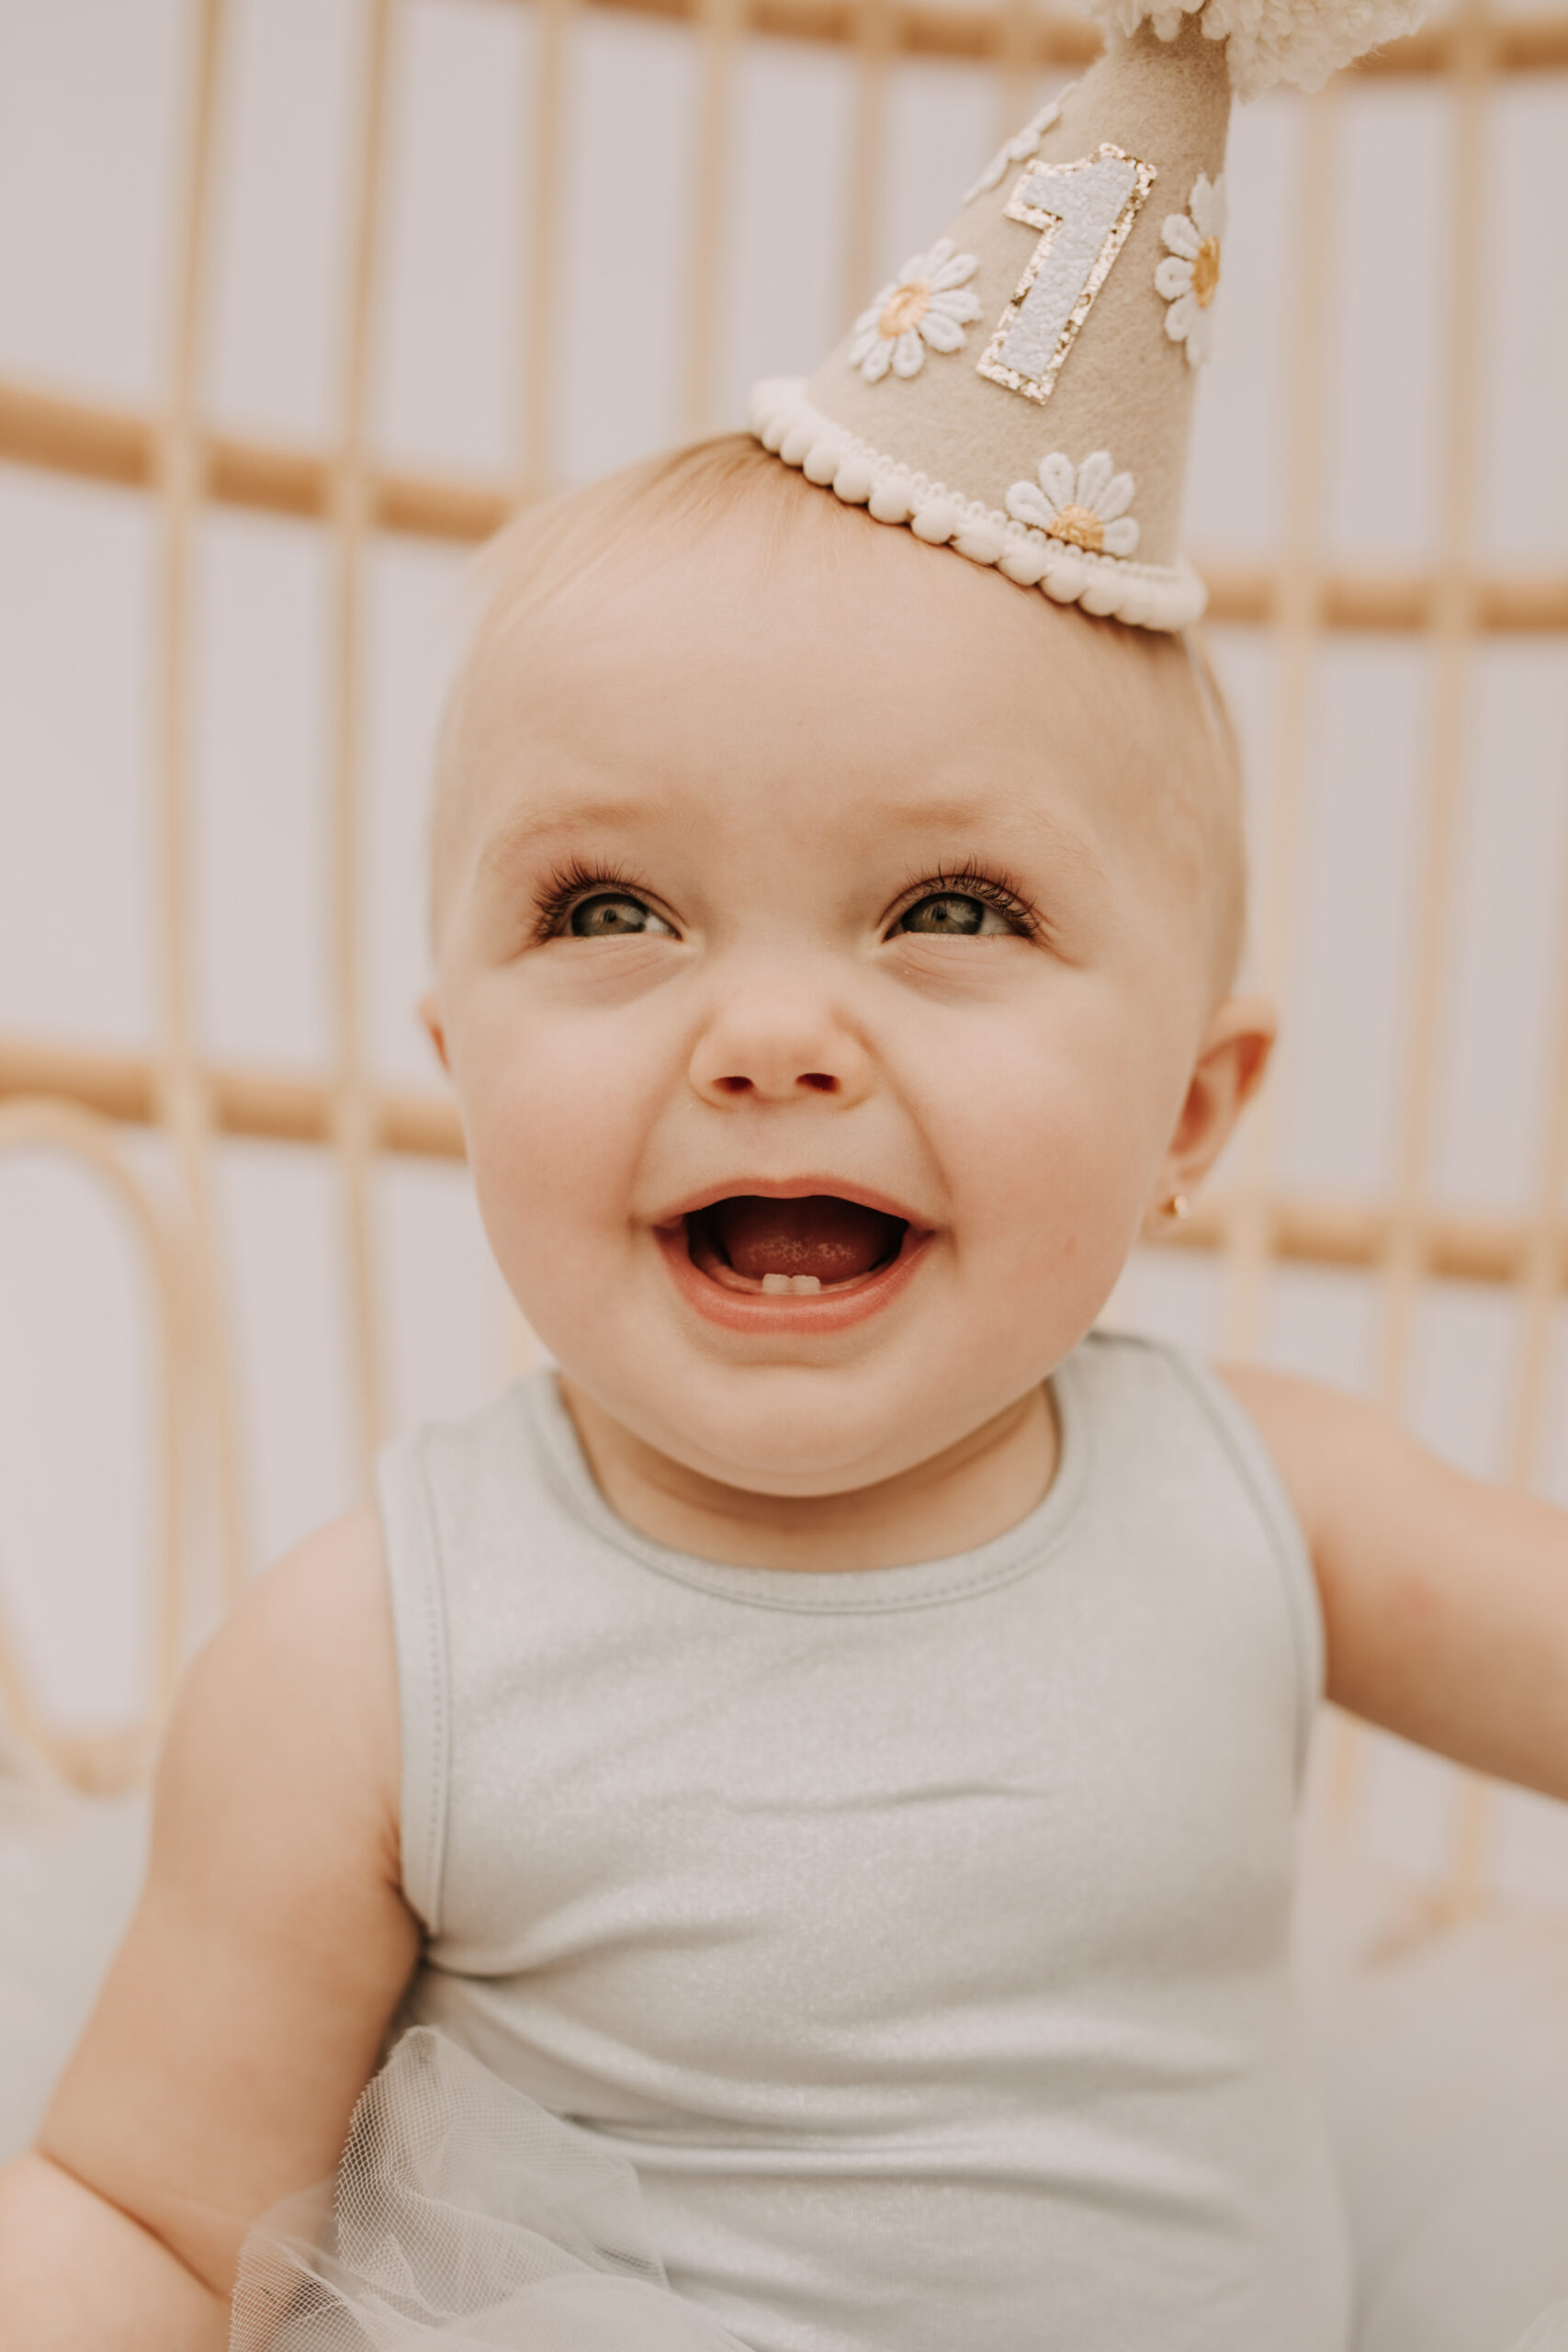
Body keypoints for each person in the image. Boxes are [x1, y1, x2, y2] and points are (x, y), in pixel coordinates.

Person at [6, 2, 1568, 2345]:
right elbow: (142, 2203)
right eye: (606, 913)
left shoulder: (1269, 1506)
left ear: (1185, 1121)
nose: (761, 1037)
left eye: (949, 913)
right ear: (458, 1064)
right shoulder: (372, 1657)